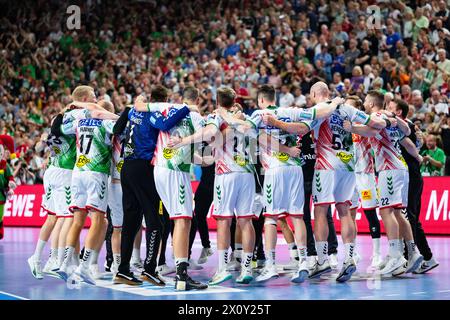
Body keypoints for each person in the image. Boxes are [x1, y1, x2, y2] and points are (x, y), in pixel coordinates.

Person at [220, 84, 342, 283]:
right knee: (297, 216)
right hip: (296, 169)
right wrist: (335, 101)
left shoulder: (259, 114)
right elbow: (314, 117)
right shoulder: (291, 111)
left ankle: (270, 265)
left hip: (275, 169)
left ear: (261, 100)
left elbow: (243, 128)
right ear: (274, 98)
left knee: (270, 218)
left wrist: (224, 115)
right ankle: (303, 261)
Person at [169, 87, 258, 285]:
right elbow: (253, 154)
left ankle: (223, 268)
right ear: (234, 100)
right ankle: (246, 268)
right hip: (247, 174)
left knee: (224, 221)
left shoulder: (217, 117)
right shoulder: (248, 120)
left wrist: (184, 141)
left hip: (226, 174)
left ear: (217, 102)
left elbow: (209, 133)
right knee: (245, 221)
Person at [113, 85, 192, 286]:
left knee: (131, 221)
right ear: (163, 100)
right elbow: (165, 125)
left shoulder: (131, 111)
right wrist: (185, 107)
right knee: (155, 221)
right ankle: (149, 269)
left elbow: (116, 130)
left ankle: (122, 270)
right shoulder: (151, 113)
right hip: (143, 168)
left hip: (126, 167)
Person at [135, 85, 208, 291]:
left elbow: (140, 107)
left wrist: (198, 157)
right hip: (176, 172)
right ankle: (182, 276)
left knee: (176, 220)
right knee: (183, 221)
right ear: (197, 100)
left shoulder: (165, 109)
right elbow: (207, 134)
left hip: (159, 169)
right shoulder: (194, 116)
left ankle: (173, 270)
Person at [351, 91, 424, 275]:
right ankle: (410, 253)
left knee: (386, 210)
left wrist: (351, 127)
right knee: (398, 212)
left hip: (389, 168)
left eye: (366, 101)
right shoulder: (388, 115)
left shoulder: (376, 115)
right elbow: (407, 132)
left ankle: (396, 255)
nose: (364, 103)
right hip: (399, 167)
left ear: (372, 103)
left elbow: (371, 129)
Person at [388, 98, 439, 274]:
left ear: (399, 112)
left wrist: (417, 155)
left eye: (391, 107)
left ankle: (427, 257)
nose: (387, 109)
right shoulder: (408, 125)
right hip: (410, 175)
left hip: (411, 175)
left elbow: (411, 144)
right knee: (407, 216)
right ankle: (408, 256)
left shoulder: (401, 125)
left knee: (409, 217)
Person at [345, 96, 382, 269]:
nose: (345, 107)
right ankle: (352, 253)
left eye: (348, 105)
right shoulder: (342, 127)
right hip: (349, 175)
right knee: (350, 214)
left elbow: (372, 131)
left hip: (365, 174)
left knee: (370, 213)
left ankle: (376, 254)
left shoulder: (365, 124)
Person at [0, 135, 16, 240]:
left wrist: (10, 186)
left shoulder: (5, 166)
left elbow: (10, 177)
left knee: (0, 216)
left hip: (0, 196)